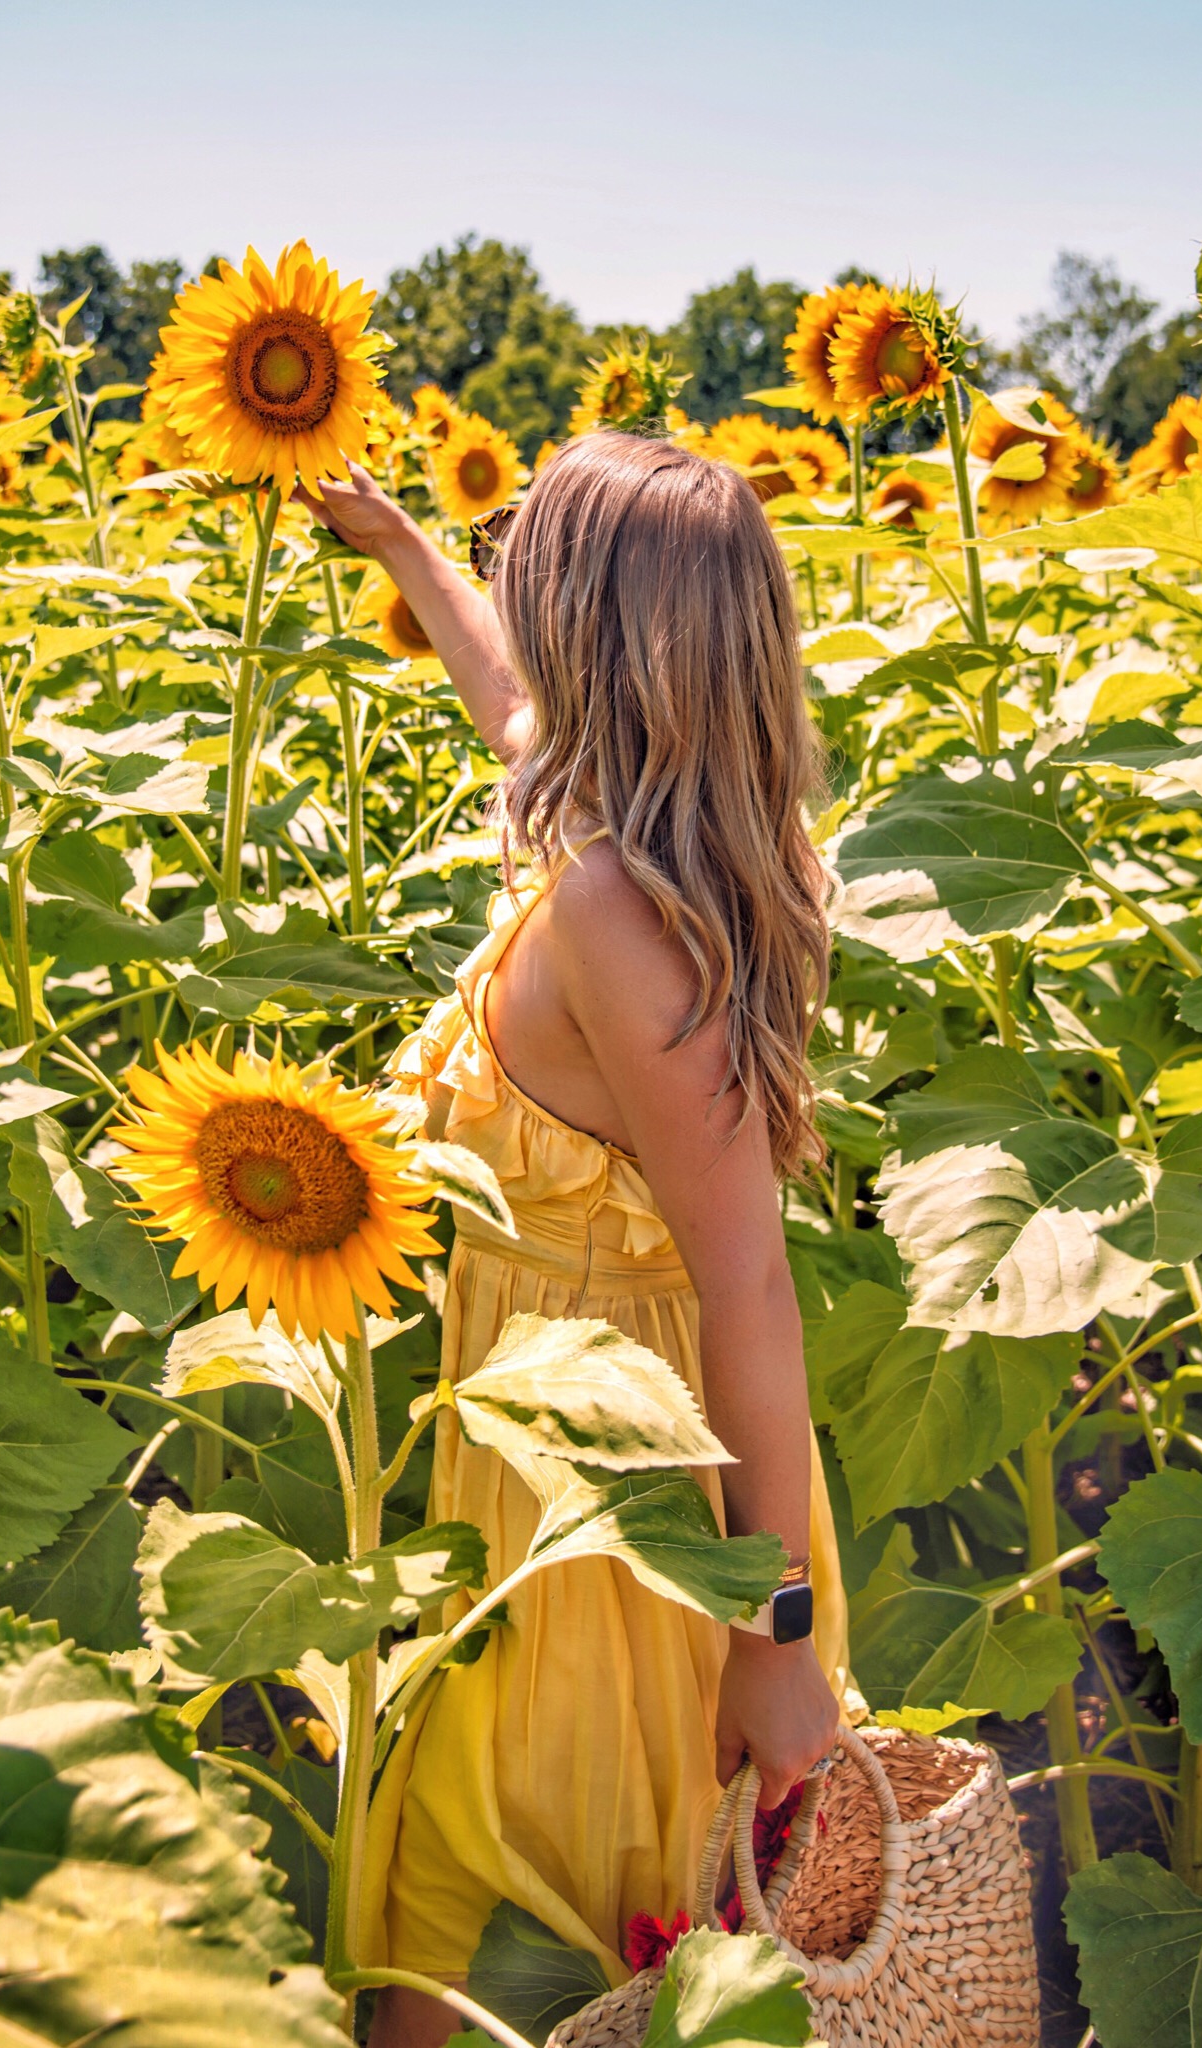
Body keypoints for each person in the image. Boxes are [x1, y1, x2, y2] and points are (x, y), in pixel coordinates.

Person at [297, 431, 854, 2048]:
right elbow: (507, 704)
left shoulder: (618, 910)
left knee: (500, 1941)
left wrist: (776, 1639)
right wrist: (404, 547)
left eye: (528, 571)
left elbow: (746, 1280)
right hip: (560, 1465)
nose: (510, 606)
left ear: (597, 631)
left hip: (620, 1515)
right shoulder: (648, 833)